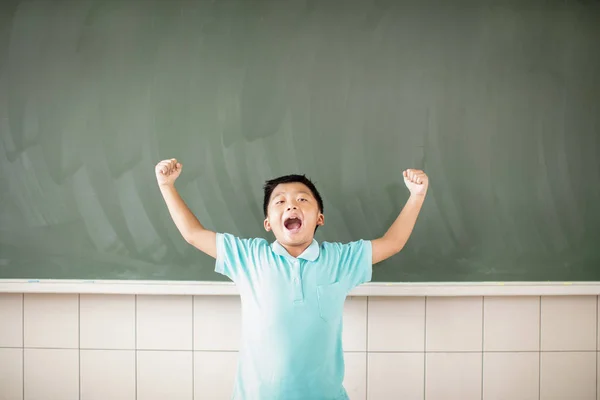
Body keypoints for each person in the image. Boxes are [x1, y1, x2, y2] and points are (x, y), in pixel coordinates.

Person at [155, 158, 428, 400]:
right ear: (268, 222)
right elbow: (193, 233)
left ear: (319, 218)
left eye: (302, 199)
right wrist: (167, 186)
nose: (291, 205)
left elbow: (392, 242)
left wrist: (417, 195)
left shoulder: (341, 260)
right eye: (280, 202)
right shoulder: (249, 257)